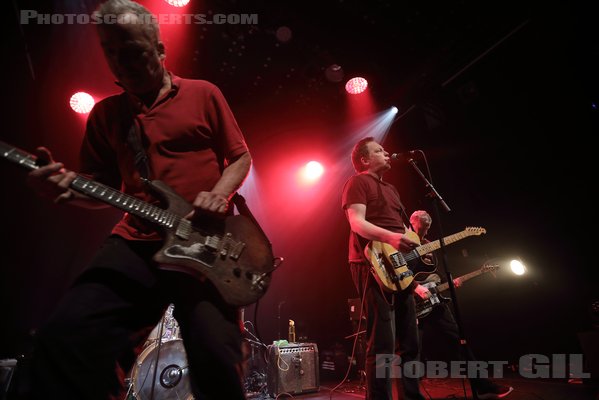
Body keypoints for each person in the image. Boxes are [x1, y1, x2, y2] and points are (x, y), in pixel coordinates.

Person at [20, 0, 254, 398]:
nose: (121, 62)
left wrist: (218, 194)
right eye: (110, 52)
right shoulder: (107, 115)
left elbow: (241, 156)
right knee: (65, 338)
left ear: (160, 50)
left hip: (203, 243)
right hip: (136, 240)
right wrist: (62, 192)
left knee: (216, 355)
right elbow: (97, 188)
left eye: (132, 51)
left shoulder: (202, 93)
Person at [341, 136, 430, 400]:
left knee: (410, 341)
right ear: (365, 159)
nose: (387, 152)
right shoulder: (356, 182)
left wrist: (419, 231)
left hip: (398, 266)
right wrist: (390, 238)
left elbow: (402, 231)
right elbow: (356, 223)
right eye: (379, 150)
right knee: (381, 342)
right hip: (369, 262)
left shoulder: (391, 189)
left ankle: (411, 396)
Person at [409, 210, 514, 399]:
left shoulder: (429, 246)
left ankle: (482, 385)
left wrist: (446, 285)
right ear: (412, 222)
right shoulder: (403, 243)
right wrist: (415, 288)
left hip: (434, 303)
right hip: (411, 303)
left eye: (428, 228)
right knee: (412, 350)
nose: (425, 232)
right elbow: (397, 273)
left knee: (459, 340)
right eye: (422, 227)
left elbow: (432, 276)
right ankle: (412, 395)